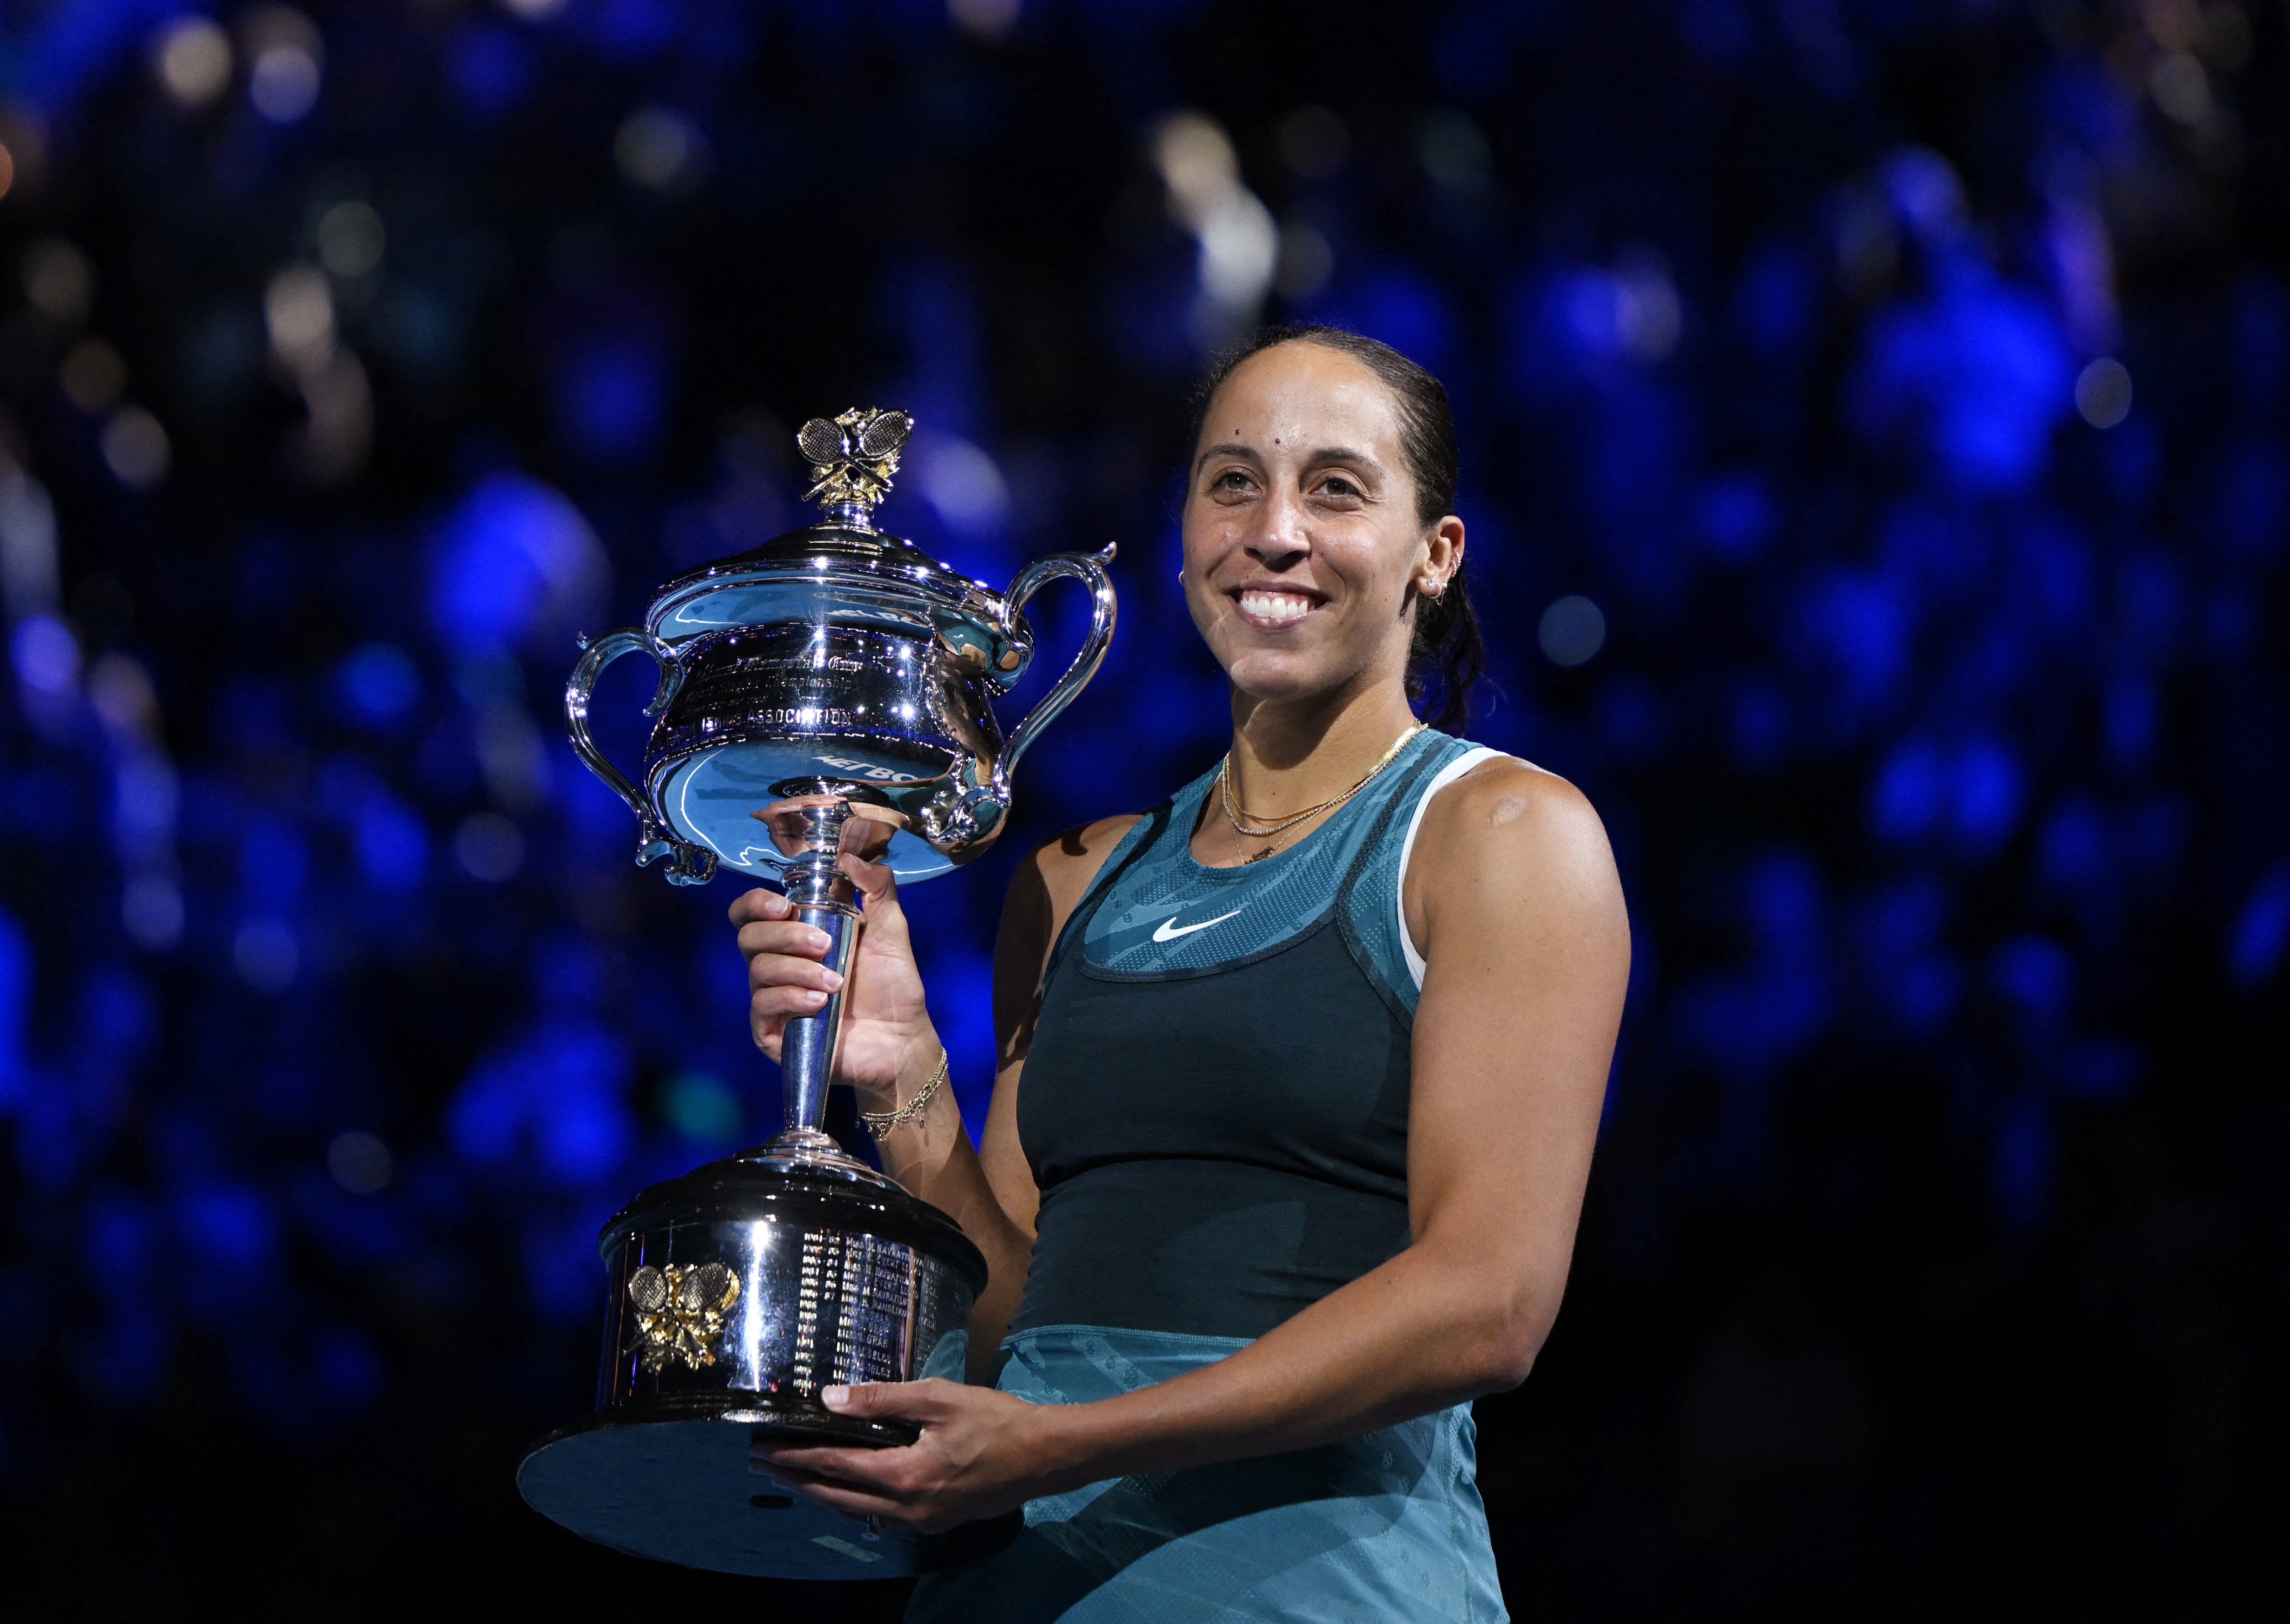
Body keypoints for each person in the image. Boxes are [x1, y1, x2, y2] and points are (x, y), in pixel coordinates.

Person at [731, 326, 1630, 1621]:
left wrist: (1069, 1441)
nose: (1274, 533)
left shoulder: (1503, 838)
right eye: (1231, 483)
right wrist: (904, 1069)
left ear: (1436, 553)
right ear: (1182, 536)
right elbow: (1013, 1330)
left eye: (1336, 487)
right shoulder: (1073, 877)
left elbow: (1488, 1304)